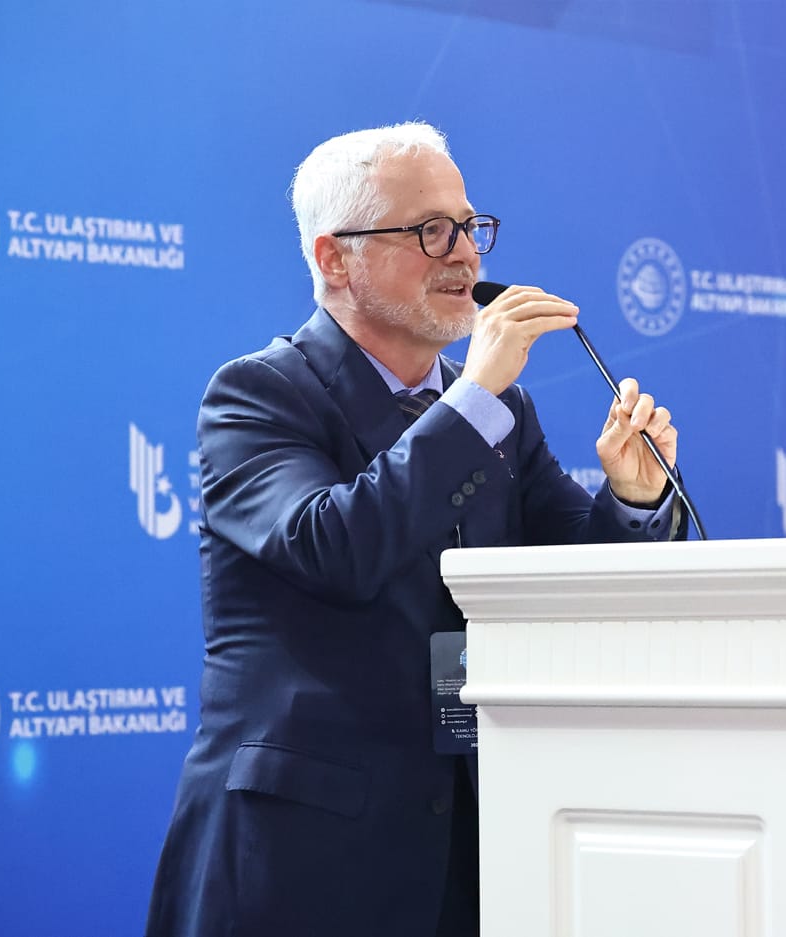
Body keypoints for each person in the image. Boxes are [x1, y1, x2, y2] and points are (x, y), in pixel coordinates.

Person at [145, 121, 683, 937]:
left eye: (469, 226)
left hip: (468, 855)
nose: (464, 254)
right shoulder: (259, 395)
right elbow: (334, 546)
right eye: (430, 230)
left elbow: (571, 584)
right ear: (335, 259)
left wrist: (632, 499)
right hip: (299, 860)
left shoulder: (499, 411)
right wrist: (472, 399)